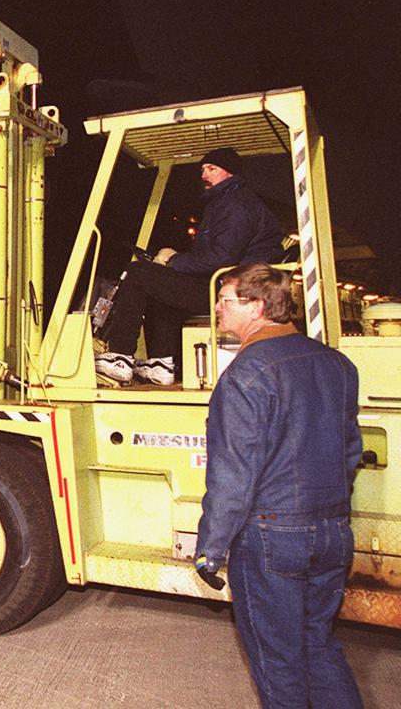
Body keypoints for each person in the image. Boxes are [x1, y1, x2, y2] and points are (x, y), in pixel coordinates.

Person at [194, 264, 363, 708]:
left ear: (258, 306)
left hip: (273, 538)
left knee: (278, 662)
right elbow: (349, 454)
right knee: (319, 645)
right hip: (332, 532)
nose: (217, 307)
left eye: (227, 300)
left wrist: (211, 548)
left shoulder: (244, 375)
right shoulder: (337, 365)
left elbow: (234, 473)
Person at [96, 147, 283, 384]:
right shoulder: (228, 202)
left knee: (137, 273)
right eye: (203, 169)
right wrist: (174, 263)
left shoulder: (236, 206)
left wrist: (173, 259)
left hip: (232, 288)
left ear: (230, 174)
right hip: (232, 284)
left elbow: (221, 257)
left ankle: (120, 356)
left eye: (212, 169)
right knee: (165, 284)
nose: (204, 175)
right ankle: (161, 362)